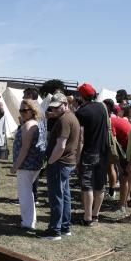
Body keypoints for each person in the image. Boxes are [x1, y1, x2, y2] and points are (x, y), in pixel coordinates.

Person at [40, 93, 80, 240]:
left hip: (60, 163)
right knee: (64, 195)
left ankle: (55, 230)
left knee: (56, 196)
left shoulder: (64, 120)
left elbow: (61, 145)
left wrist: (50, 161)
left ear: (65, 104)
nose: (55, 110)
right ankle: (64, 227)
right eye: (53, 108)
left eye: (57, 107)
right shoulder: (70, 117)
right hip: (66, 162)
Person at [76, 83, 108, 226]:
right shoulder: (103, 107)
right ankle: (95, 215)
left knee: (87, 186)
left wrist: (77, 158)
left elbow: (80, 137)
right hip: (103, 151)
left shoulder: (82, 112)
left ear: (82, 96)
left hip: (89, 151)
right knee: (100, 185)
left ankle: (87, 217)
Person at [11, 99, 46, 232]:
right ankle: (31, 219)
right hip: (34, 164)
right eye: (21, 110)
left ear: (33, 111)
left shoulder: (28, 126)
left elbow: (24, 149)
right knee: (28, 193)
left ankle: (27, 222)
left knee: (24, 194)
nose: (22, 112)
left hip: (26, 165)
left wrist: (15, 166)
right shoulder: (37, 123)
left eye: (25, 110)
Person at [104, 99, 131, 216]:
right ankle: (124, 202)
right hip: (129, 148)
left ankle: (122, 205)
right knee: (127, 177)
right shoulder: (114, 120)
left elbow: (113, 142)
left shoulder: (110, 122)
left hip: (128, 149)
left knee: (124, 177)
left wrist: (117, 161)